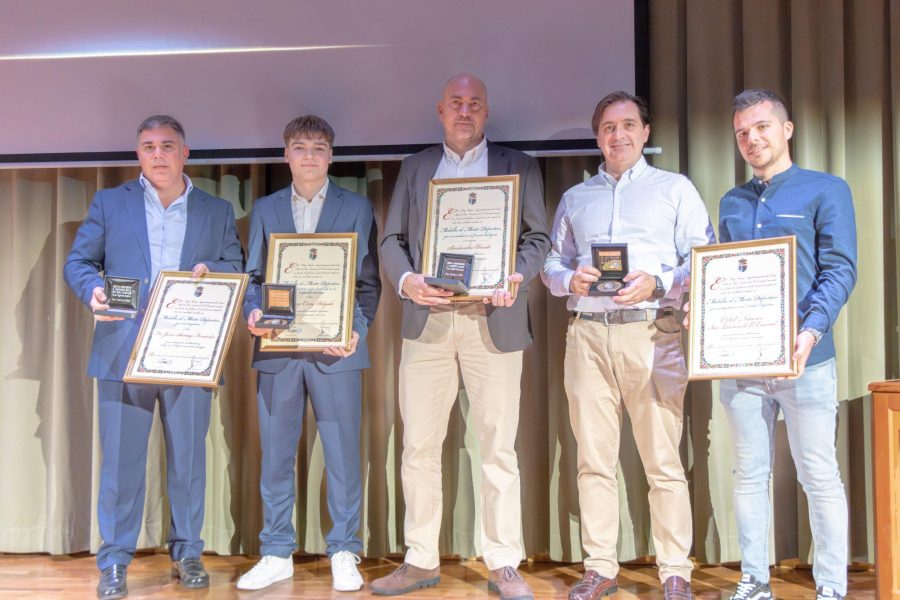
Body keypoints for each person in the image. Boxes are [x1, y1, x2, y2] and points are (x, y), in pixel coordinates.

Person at [372, 73, 550, 600]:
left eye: (475, 103)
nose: (465, 111)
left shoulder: (520, 166)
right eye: (456, 103)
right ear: (440, 110)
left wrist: (515, 274)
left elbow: (537, 238)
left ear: (487, 112)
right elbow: (392, 240)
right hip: (428, 323)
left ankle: (503, 563)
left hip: (491, 322)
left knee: (498, 448)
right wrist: (407, 282)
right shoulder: (416, 167)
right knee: (418, 447)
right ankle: (421, 559)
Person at [541, 91, 714, 600]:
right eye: (608, 128)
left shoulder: (675, 189)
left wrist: (659, 282)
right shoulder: (576, 198)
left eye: (628, 125)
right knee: (593, 459)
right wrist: (569, 279)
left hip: (651, 332)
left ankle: (675, 571)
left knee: (662, 459)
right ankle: (600, 566)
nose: (618, 135)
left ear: (645, 132)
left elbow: (701, 257)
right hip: (588, 336)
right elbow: (552, 263)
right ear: (598, 136)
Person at [63, 115, 243, 599]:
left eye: (167, 146)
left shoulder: (216, 210)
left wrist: (214, 269)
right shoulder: (109, 203)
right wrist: (95, 292)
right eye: (148, 147)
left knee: (188, 462)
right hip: (123, 352)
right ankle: (115, 561)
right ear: (138, 154)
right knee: (121, 464)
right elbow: (79, 262)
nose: (158, 154)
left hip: (189, 354)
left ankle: (188, 553)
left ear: (186, 153)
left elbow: (235, 264)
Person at [716, 89, 856, 600]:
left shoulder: (827, 190)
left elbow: (840, 270)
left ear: (786, 129)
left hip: (808, 361)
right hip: (744, 364)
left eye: (761, 128)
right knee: (749, 475)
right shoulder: (732, 202)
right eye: (741, 133)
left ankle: (832, 588)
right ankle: (754, 581)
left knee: (819, 476)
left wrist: (809, 331)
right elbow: (724, 278)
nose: (751, 139)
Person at [236, 115, 381, 592]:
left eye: (319, 148)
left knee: (342, 455)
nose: (309, 156)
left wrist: (356, 330)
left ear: (331, 156)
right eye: (300, 147)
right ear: (286, 155)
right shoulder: (265, 208)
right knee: (276, 455)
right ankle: (276, 551)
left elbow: (367, 283)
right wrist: (253, 316)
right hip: (278, 350)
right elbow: (254, 280)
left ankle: (343, 549)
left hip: (337, 351)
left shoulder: (357, 207)